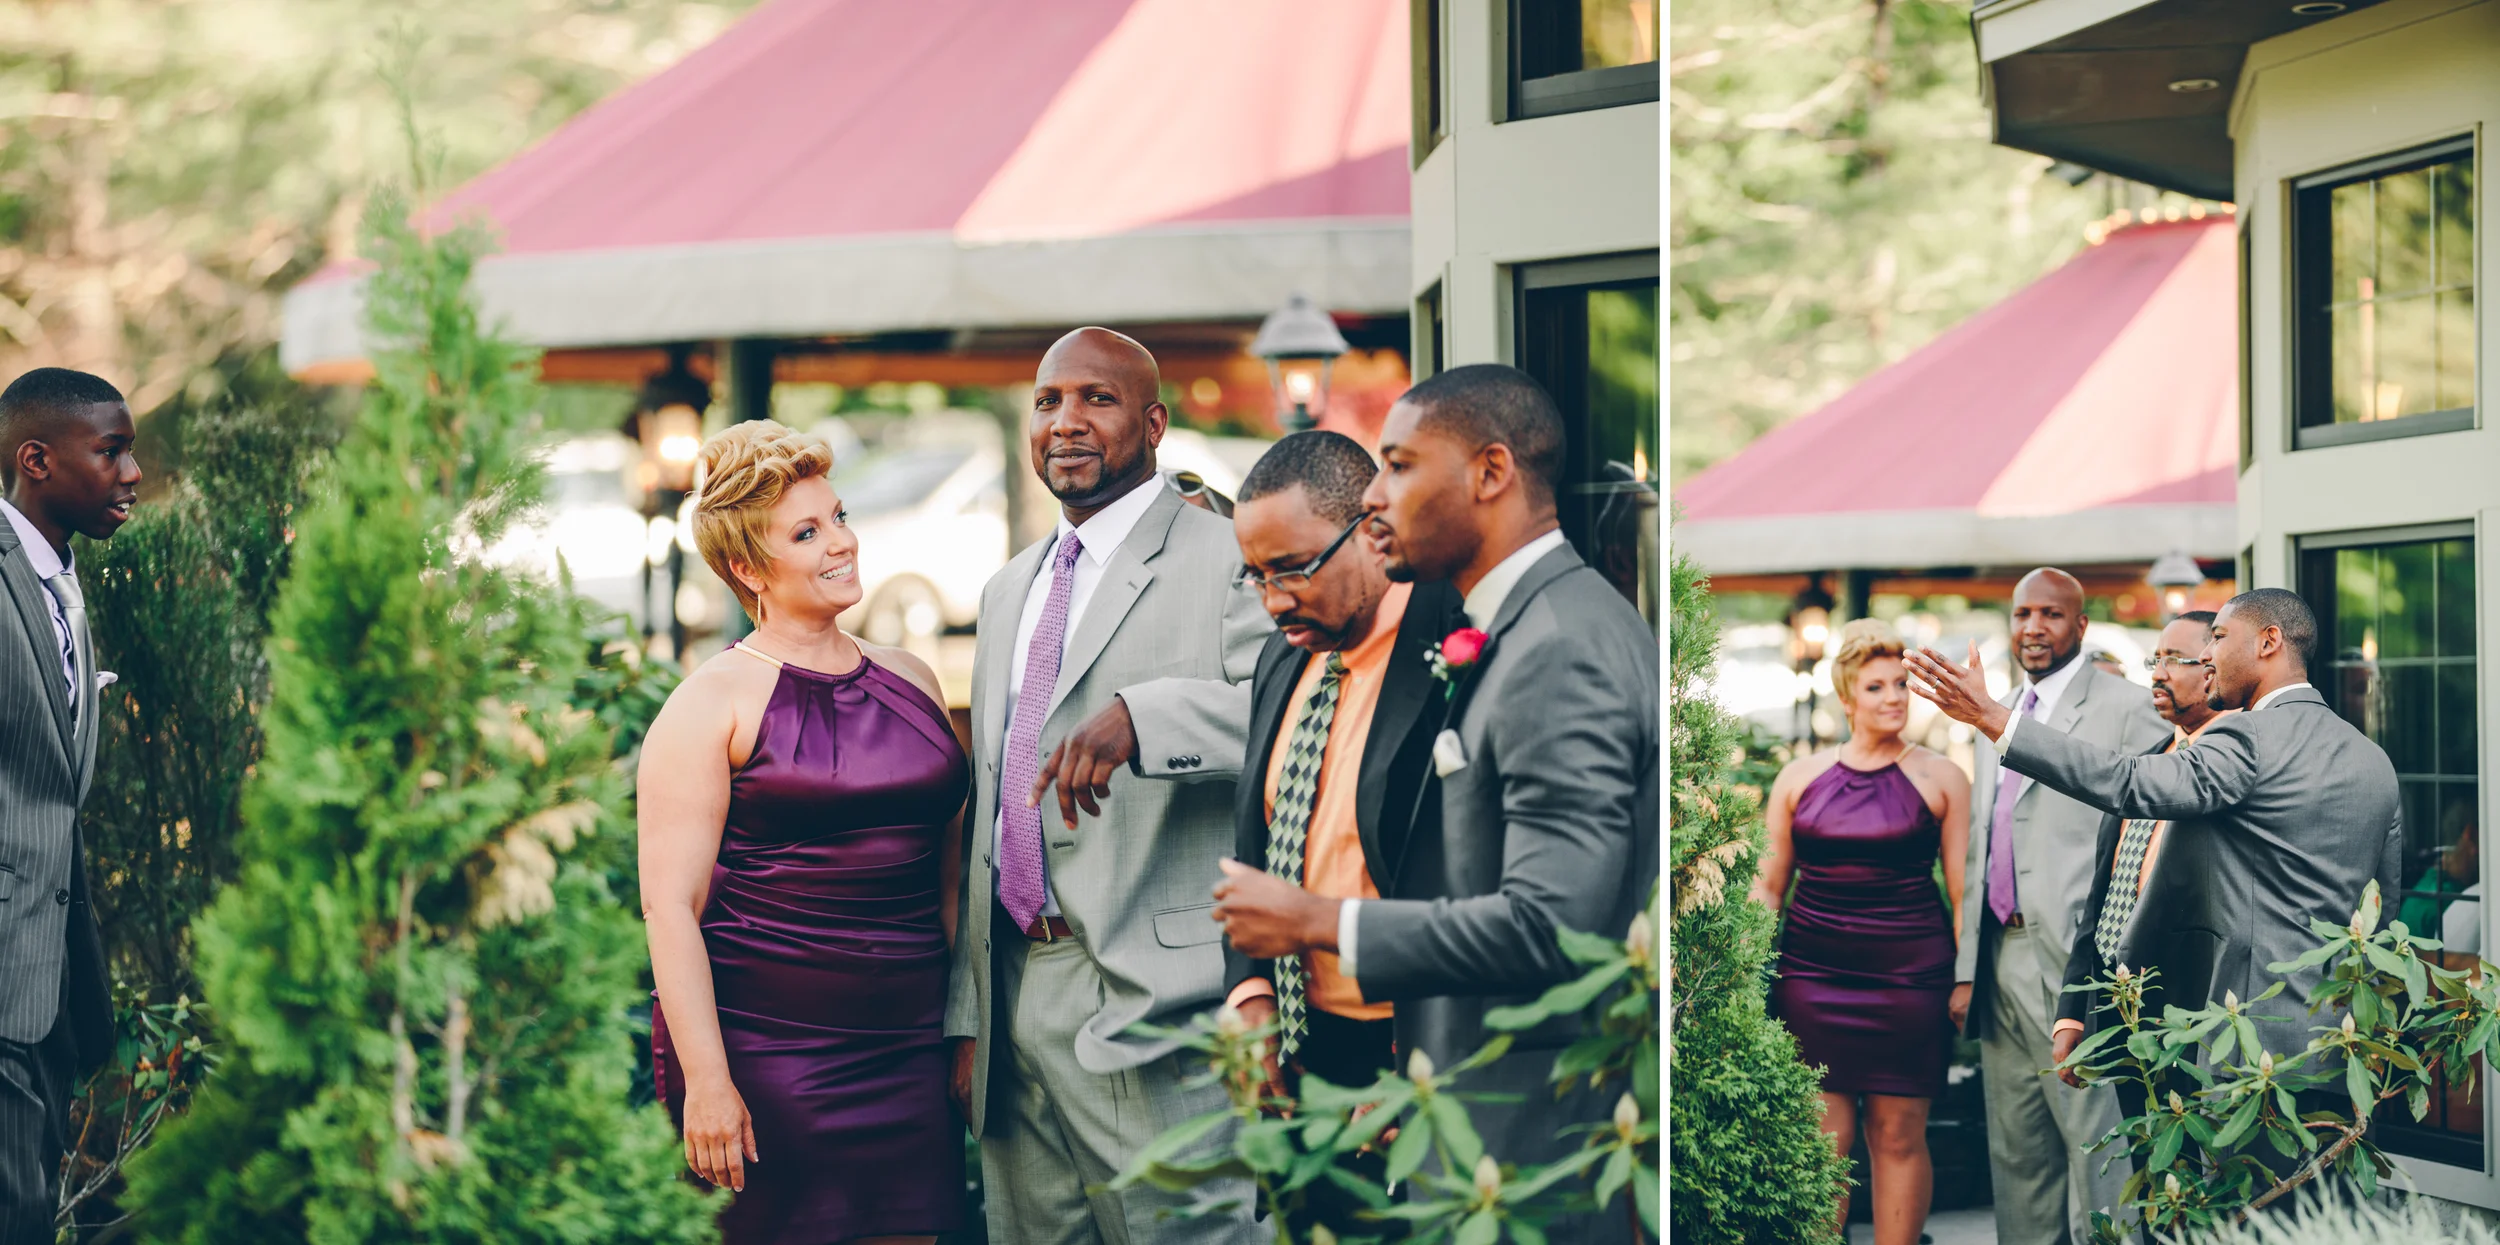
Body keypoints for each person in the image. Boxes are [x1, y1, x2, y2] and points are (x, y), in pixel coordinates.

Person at [1211, 364, 1657, 1244]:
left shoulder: (1554, 646)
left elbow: (1551, 927)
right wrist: (1254, 987)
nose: (1376, 496)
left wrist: (1316, 922)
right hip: (1333, 1074)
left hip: (1493, 1115)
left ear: (1491, 472)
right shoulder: (1519, 627)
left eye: (1400, 465)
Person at [945, 327, 1268, 1245]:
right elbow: (991, 806)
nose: (1066, 421)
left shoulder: (1228, 554)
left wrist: (1148, 716)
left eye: (1098, 398)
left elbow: (1294, 716)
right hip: (1016, 993)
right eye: (1048, 401)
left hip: (1157, 1001)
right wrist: (970, 1013)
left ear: (1155, 424)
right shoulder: (1009, 588)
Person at [1907, 588, 2405, 1177]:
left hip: (2245, 1048)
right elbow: (2382, 911)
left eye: (2219, 637)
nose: (2208, 655)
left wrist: (1992, 718)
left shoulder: (2246, 739)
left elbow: (2128, 782)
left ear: (2269, 642)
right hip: (2339, 1046)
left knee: (2225, 1212)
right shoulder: (2373, 759)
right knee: (2312, 1213)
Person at [638, 420, 968, 1244]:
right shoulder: (708, 703)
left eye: (839, 516)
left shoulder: (913, 678)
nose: (842, 542)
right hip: (772, 1054)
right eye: (807, 532)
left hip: (911, 1047)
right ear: (749, 568)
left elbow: (951, 878)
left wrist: (966, 1029)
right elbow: (670, 908)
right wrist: (708, 1080)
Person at [1164, 431, 1464, 1237]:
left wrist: (1423, 1062)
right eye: (1256, 575)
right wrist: (1250, 990)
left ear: (1371, 529)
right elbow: (1257, 848)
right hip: (1300, 1057)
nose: (1273, 600)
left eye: (1294, 568)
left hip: (1417, 1053)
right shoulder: (1283, 656)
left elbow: (1485, 884)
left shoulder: (1461, 644)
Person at [1949, 568, 2169, 1245]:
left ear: (2080, 625)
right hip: (2000, 955)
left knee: (2097, 1149)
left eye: (2050, 614)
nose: (2034, 627)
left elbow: (2152, 833)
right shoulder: (1994, 709)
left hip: (2081, 962)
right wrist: (1966, 967)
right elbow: (1983, 840)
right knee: (2017, 1154)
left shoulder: (2130, 707)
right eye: (2023, 614)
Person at [1752, 618, 1967, 1245]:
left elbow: (1963, 893)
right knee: (1825, 1140)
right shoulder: (1798, 778)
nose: (1894, 697)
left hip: (1910, 980)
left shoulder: (1942, 777)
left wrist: (1964, 979)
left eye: (1901, 685)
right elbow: (1768, 887)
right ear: (1847, 698)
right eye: (1876, 687)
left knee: (1898, 1135)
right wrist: (1739, 969)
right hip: (1812, 979)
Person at [0, 368, 137, 1245]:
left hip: (48, 982)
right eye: (111, 450)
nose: (132, 472)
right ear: (37, 459)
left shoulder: (61, 583)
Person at [2048, 612, 2235, 1130]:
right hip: (2122, 1013)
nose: (2158, 672)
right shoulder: (2147, 765)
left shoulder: (2235, 772)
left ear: (2215, 667)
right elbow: (2105, 897)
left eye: (2175, 659)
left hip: (2198, 1022)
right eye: (2156, 659)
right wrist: (2074, 1010)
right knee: (2151, 1165)